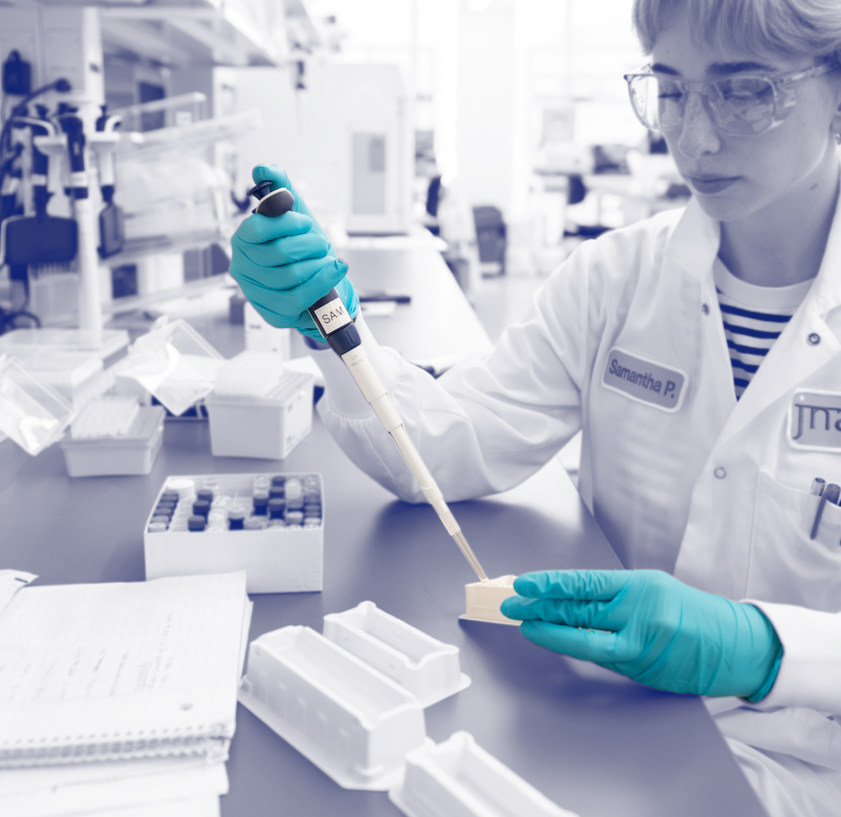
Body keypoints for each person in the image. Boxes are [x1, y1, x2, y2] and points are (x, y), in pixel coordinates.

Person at [229, 1, 841, 814]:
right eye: (669, 89)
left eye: (746, 90)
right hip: (603, 731)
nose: (692, 137)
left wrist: (767, 650)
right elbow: (446, 446)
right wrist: (331, 328)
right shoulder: (615, 281)